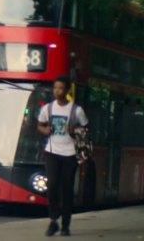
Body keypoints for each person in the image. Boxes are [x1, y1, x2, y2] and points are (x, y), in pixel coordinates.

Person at [37, 76, 88, 237]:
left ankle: (65, 224)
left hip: (70, 154)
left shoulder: (76, 110)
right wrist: (45, 130)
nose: (57, 91)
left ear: (67, 91)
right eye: (55, 88)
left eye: (60, 88)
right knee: (52, 185)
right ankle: (53, 220)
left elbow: (86, 129)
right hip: (52, 152)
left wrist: (75, 131)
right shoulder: (48, 109)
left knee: (67, 188)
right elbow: (40, 124)